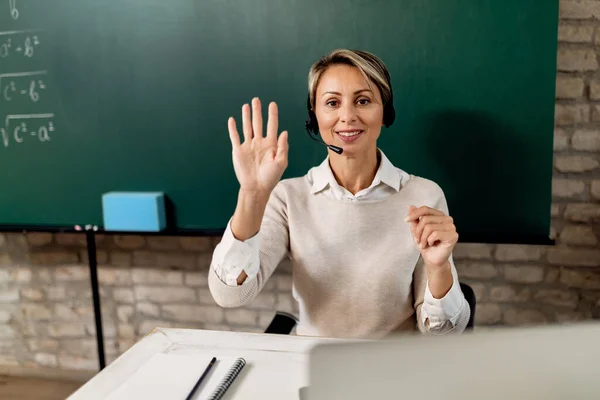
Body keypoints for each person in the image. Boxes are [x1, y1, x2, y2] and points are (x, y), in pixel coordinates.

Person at [208, 49, 470, 339]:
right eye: (332, 103)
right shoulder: (289, 197)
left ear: (385, 113)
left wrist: (439, 266)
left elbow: (445, 334)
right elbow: (230, 295)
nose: (347, 116)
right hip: (315, 364)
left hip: (394, 368)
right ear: (315, 117)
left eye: (363, 101)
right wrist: (252, 195)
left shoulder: (424, 195)